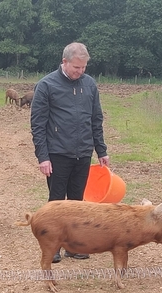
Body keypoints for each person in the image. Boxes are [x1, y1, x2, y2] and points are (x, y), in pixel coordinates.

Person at [30, 42, 110, 264]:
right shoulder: (46, 85)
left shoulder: (90, 85)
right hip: (57, 153)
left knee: (77, 202)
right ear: (64, 62)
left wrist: (101, 150)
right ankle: (53, 245)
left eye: (83, 67)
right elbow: (38, 125)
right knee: (56, 203)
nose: (80, 71)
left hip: (83, 152)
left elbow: (96, 120)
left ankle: (73, 247)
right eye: (76, 67)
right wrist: (43, 157)